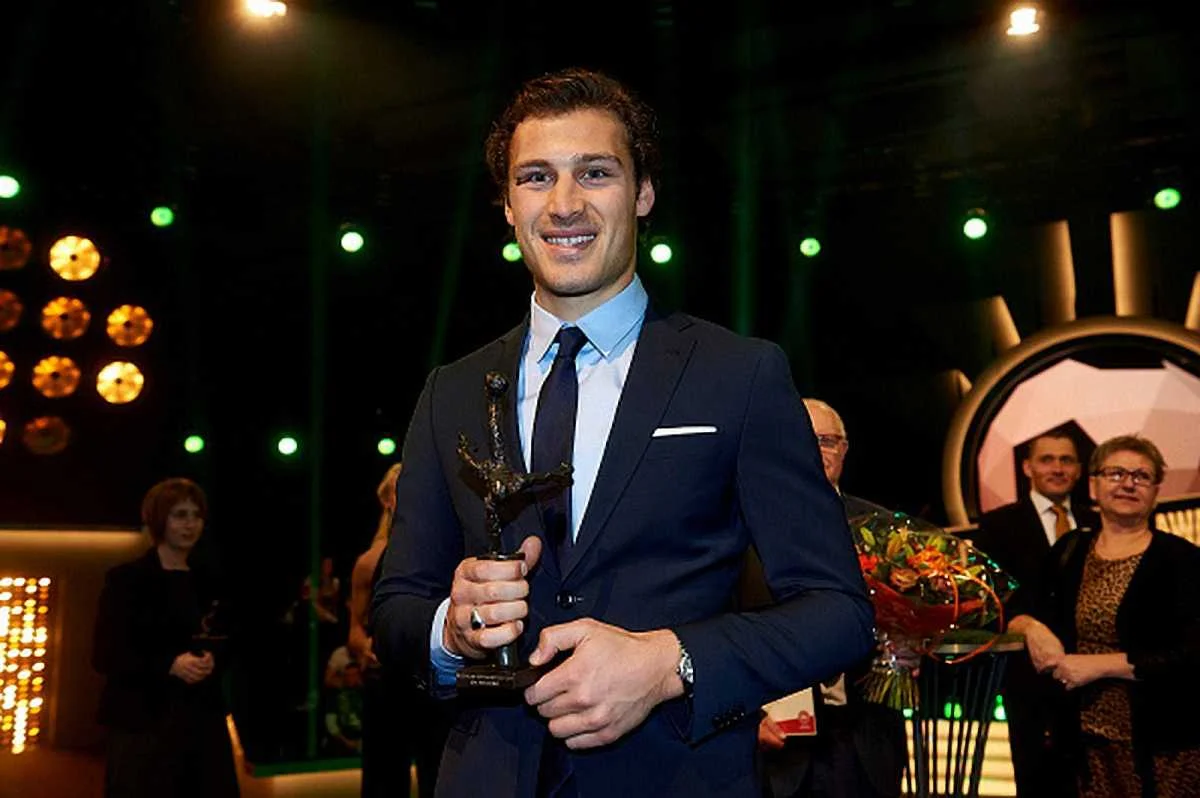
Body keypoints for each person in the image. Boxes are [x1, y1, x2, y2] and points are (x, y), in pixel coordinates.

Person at [372, 67, 874, 798]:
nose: (564, 203)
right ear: (508, 205)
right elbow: (396, 610)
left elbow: (839, 613)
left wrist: (671, 663)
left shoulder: (740, 375)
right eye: (536, 177)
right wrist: (451, 628)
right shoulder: (450, 391)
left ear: (643, 193)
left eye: (595, 172)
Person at [1008, 435, 1200, 797]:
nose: (1128, 484)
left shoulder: (1183, 560)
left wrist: (1101, 666)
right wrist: (1031, 628)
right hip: (1077, 748)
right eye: (1115, 473)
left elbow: (1192, 655)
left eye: (1141, 476)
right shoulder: (1069, 549)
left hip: (1162, 750)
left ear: (1156, 491)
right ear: (1094, 484)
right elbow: (1017, 608)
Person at [755, 399, 906, 798]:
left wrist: (909, 645)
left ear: (844, 449)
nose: (816, 450)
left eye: (827, 440)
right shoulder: (744, 523)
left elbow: (910, 615)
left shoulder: (883, 530)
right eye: (804, 438)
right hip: (780, 736)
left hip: (867, 736)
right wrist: (745, 719)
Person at [971, 429, 1099, 798]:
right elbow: (988, 599)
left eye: (1066, 460)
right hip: (1030, 682)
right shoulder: (997, 526)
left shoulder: (1099, 523)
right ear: (1028, 467)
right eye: (1047, 460)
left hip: (1096, 682)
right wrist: (1025, 625)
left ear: (1079, 470)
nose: (1057, 468)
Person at [92, 478, 240, 798]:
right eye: (180, 515)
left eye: (196, 516)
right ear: (159, 520)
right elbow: (105, 654)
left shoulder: (211, 580)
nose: (190, 524)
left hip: (202, 720)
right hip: (143, 721)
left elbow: (228, 638)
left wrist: (214, 658)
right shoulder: (127, 580)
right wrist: (169, 665)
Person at [350, 463, 448, 798]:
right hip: (386, 687)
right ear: (387, 500)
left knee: (438, 776)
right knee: (384, 779)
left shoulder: (444, 553)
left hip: (433, 685)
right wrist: (365, 647)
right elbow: (354, 631)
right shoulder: (369, 563)